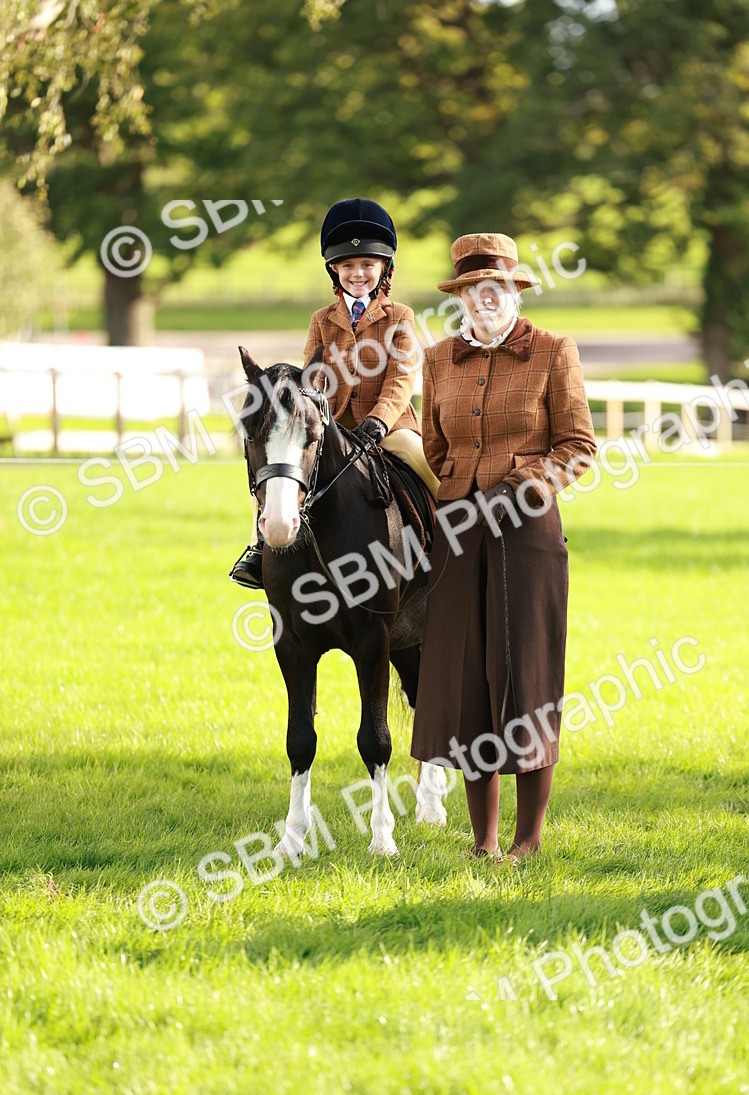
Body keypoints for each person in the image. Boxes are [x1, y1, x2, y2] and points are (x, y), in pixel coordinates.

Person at [409, 233, 598, 862]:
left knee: (527, 674)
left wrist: (516, 487)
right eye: (473, 289)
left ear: (515, 290)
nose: (485, 298)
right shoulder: (438, 359)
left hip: (528, 533)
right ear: (460, 296)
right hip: (458, 532)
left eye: (497, 287)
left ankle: (527, 840)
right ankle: (483, 840)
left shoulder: (553, 352)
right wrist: (461, 496)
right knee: (467, 676)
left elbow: (578, 447)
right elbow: (434, 447)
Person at [229, 197, 439, 588]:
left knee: (426, 465)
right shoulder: (322, 320)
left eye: (367, 265)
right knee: (278, 470)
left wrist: (379, 420)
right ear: (334, 270)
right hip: (332, 428)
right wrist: (314, 413)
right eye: (348, 266)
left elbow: (401, 377)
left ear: (384, 269)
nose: (358, 273)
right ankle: (260, 549)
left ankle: (453, 541)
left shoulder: (400, 317)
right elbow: (311, 378)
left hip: (390, 429)